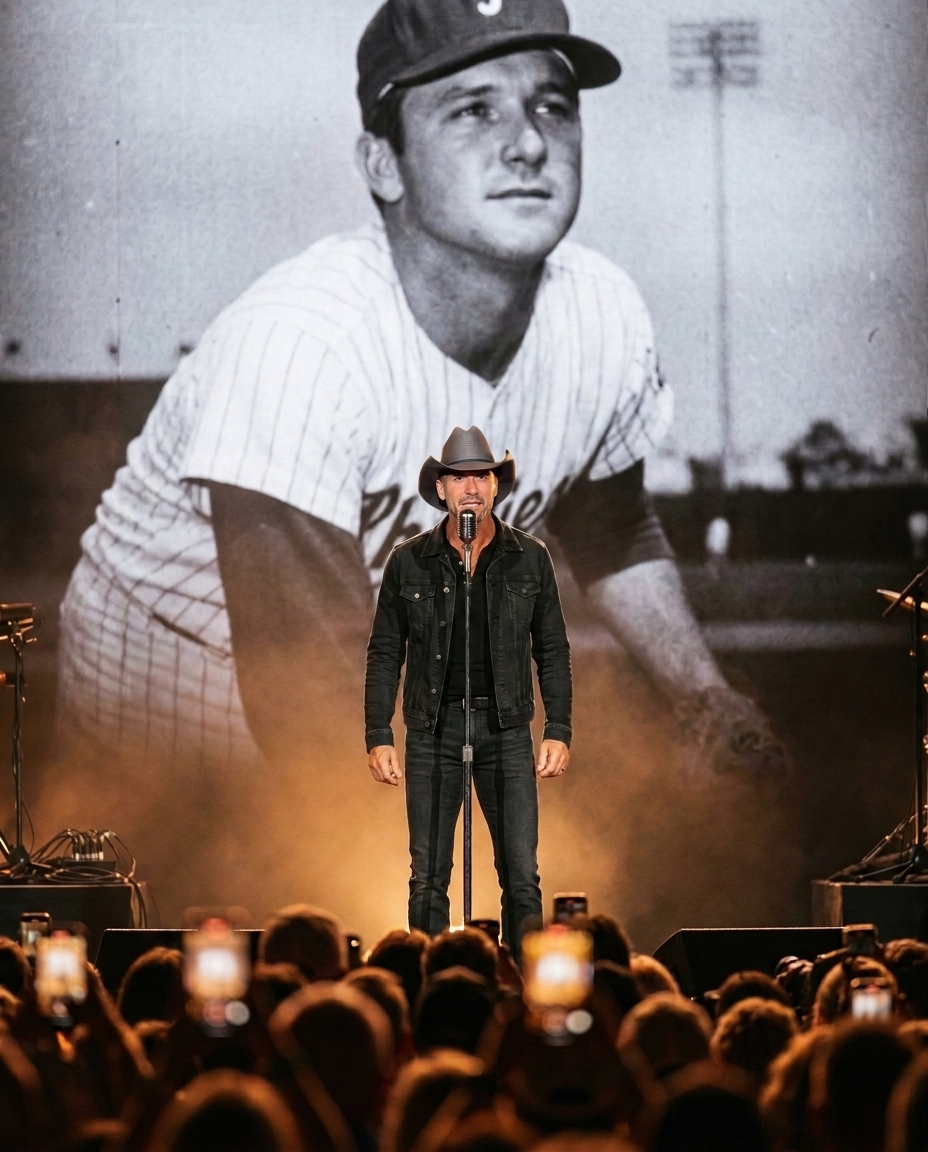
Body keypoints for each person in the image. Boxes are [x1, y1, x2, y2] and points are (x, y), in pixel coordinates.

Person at [56, 0, 779, 783]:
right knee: (268, 860)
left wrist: (704, 694)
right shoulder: (300, 345)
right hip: (178, 673)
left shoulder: (605, 315)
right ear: (384, 164)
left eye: (552, 106)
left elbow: (610, 526)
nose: (529, 143)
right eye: (473, 110)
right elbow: (307, 693)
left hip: (375, 663)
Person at [366, 427, 570, 948]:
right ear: (441, 489)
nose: (471, 487)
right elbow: (385, 652)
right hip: (433, 730)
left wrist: (558, 728)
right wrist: (378, 734)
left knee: (521, 877)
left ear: (496, 486)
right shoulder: (409, 560)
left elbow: (552, 649)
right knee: (428, 877)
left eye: (481, 476)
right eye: (459, 478)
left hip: (506, 729)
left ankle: (525, 984)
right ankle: (432, 983)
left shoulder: (529, 557)